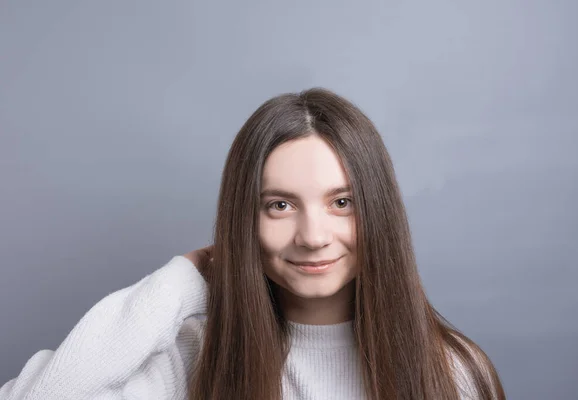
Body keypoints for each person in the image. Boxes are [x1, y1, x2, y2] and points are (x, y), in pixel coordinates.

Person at [0, 88, 506, 400]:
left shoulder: (453, 371)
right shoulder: (197, 361)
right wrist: (179, 282)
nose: (312, 237)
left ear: (381, 212)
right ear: (245, 220)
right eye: (279, 206)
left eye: (342, 203)